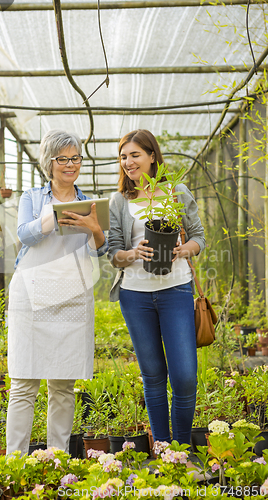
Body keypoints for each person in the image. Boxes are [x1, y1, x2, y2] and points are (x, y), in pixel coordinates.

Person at [6, 129, 108, 456]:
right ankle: (14, 465)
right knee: (24, 384)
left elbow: (96, 254)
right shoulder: (32, 198)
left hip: (71, 296)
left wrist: (95, 230)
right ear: (49, 162)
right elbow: (24, 235)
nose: (70, 165)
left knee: (63, 386)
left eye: (75, 158)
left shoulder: (90, 203)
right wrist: (47, 221)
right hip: (31, 295)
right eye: (62, 159)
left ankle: (57, 462)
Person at [107, 129, 205, 445]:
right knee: (152, 376)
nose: (128, 162)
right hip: (135, 295)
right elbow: (113, 253)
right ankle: (163, 449)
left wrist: (184, 249)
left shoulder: (177, 193)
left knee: (185, 377)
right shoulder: (119, 201)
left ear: (152, 156)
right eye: (123, 157)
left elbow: (199, 237)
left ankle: (183, 447)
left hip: (176, 289)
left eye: (135, 155)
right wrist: (132, 253)